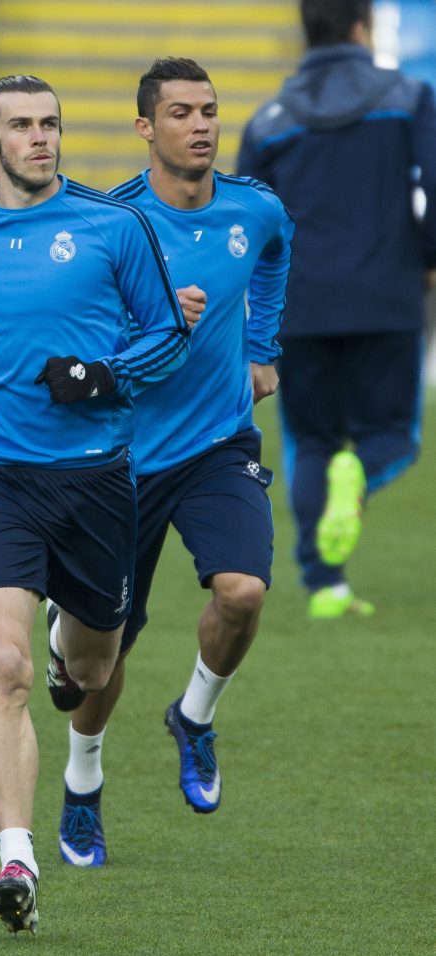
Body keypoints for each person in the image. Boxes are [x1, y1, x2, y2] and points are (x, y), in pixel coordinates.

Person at [0, 74, 190, 935]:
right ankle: (16, 858)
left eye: (52, 124)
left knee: (94, 670)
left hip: (97, 479)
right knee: (3, 667)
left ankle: (69, 652)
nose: (42, 137)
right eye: (23, 126)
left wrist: (104, 375)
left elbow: (166, 334)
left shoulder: (114, 225)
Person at [44, 57, 293, 867]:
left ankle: (193, 716)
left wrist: (260, 348)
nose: (202, 125)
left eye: (211, 110)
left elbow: (276, 253)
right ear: (146, 127)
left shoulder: (253, 208)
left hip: (218, 443)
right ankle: (84, 784)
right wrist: (160, 325)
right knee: (101, 660)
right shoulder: (112, 223)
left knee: (244, 589)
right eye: (182, 112)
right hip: (120, 462)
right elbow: (79, 349)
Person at [237, 0, 436, 618]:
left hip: (300, 307)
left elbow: (245, 223)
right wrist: (427, 261)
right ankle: (363, 472)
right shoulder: (407, 97)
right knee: (392, 440)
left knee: (312, 440)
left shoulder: (268, 121)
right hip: (388, 298)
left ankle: (325, 584)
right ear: (362, 26)